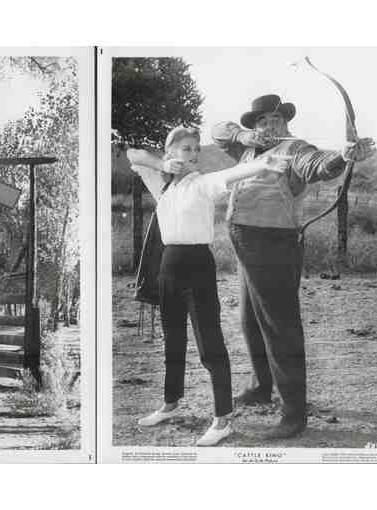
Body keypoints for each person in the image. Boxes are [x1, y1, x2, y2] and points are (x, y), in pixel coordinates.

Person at [208, 94, 375, 439]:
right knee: (250, 320)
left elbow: (317, 163)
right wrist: (243, 137)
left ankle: (294, 414)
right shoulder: (247, 150)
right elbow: (217, 131)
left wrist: (342, 156)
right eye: (262, 122)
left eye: (276, 120)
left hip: (273, 244)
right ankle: (260, 387)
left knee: (279, 326)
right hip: (245, 242)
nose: (270, 126)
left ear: (286, 123)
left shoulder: (294, 148)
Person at [127, 126, 290, 446]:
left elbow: (233, 173)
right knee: (173, 342)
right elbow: (133, 155)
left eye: (196, 149)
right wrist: (161, 166)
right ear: (170, 152)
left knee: (209, 345)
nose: (193, 154)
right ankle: (170, 404)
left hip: (197, 267)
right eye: (186, 149)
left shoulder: (202, 184)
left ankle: (222, 419)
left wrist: (264, 165)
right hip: (167, 269)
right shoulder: (160, 184)